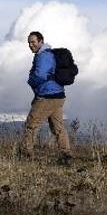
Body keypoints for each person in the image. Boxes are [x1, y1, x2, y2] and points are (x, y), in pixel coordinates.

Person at [22, 31, 72, 165]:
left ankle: (26, 155)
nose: (30, 45)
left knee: (31, 125)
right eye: (29, 43)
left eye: (33, 42)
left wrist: (30, 81)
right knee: (58, 127)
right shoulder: (49, 54)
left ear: (41, 41)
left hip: (47, 96)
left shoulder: (43, 56)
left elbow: (39, 75)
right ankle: (65, 155)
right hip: (58, 95)